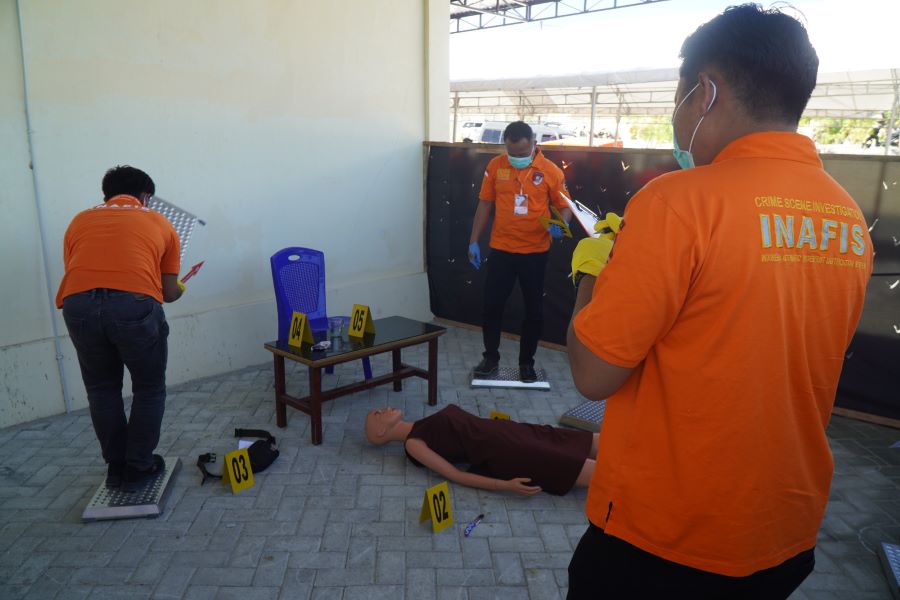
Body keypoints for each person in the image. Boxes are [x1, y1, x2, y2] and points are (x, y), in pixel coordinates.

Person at [565, 5, 872, 598]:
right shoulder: (845, 215)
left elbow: (593, 375)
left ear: (704, 92)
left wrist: (592, 271)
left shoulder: (677, 202)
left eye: (677, 96)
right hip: (783, 530)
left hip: (665, 539)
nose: (676, 116)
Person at [56, 166, 185, 492]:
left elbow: (80, 273)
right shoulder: (159, 222)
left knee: (101, 388)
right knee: (149, 387)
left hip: (78, 304)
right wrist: (181, 287)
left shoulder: (79, 221)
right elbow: (169, 293)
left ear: (108, 194)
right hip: (134, 305)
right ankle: (138, 467)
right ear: (145, 196)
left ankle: (116, 467)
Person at [468, 121, 573, 383]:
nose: (516, 158)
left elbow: (565, 206)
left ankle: (526, 363)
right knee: (492, 306)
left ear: (534, 144)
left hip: (535, 252)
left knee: (533, 310)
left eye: (522, 153)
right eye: (512, 153)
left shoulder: (550, 171)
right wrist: (473, 241)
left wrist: (561, 226)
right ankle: (490, 358)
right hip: (501, 250)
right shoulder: (496, 166)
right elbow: (484, 204)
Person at [364, 404, 596, 496]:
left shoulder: (422, 424)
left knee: (583, 440)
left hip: (512, 432)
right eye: (378, 414)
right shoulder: (413, 444)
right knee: (583, 466)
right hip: (509, 450)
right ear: (381, 432)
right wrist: (505, 486)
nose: (384, 408)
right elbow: (455, 475)